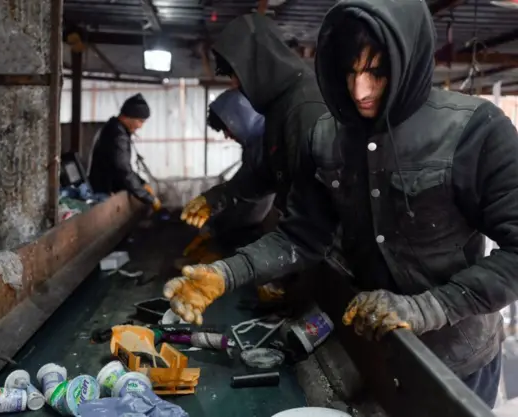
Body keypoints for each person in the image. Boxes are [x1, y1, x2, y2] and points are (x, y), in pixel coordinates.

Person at [163, 0, 518, 408]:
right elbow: (301, 236)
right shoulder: (326, 137)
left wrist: (429, 306)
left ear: (411, 59)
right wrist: (225, 273)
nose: (359, 91)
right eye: (350, 71)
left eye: (376, 72)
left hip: (457, 362)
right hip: (374, 353)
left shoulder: (476, 130)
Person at [181, 13, 327, 227]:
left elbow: (317, 210)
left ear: (257, 65)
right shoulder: (280, 106)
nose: (236, 84)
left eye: (236, 75)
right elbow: (265, 177)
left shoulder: (303, 106)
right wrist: (215, 198)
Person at [181, 89, 275, 264]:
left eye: (227, 128)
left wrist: (218, 238)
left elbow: (253, 198)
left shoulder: (269, 143)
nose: (227, 135)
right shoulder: (254, 146)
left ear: (241, 118)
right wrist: (212, 227)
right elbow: (242, 186)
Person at [88, 93, 160, 210]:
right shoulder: (117, 135)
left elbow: (123, 167)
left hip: (105, 188)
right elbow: (123, 170)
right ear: (130, 116)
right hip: (104, 192)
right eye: (140, 121)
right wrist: (147, 197)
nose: (140, 126)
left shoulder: (115, 129)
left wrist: (141, 183)